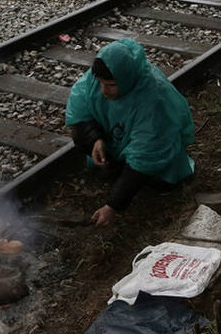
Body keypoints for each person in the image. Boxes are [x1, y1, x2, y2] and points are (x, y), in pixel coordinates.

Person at [65, 38, 195, 227]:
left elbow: (146, 154)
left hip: (155, 147)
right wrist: (95, 139)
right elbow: (79, 111)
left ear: (125, 79)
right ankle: (118, 168)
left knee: (159, 181)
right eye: (100, 83)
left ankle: (126, 175)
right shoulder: (96, 78)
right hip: (120, 137)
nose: (103, 91)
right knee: (81, 134)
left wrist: (113, 206)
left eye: (110, 85)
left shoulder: (154, 99)